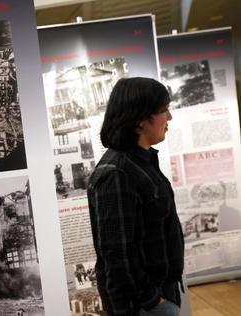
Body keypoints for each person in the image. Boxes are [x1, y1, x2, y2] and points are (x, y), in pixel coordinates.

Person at [87, 77, 185, 316]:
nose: (169, 118)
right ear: (141, 121)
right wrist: (152, 302)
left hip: (158, 294)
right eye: (163, 110)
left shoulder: (141, 163)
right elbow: (117, 254)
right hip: (142, 306)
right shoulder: (117, 173)